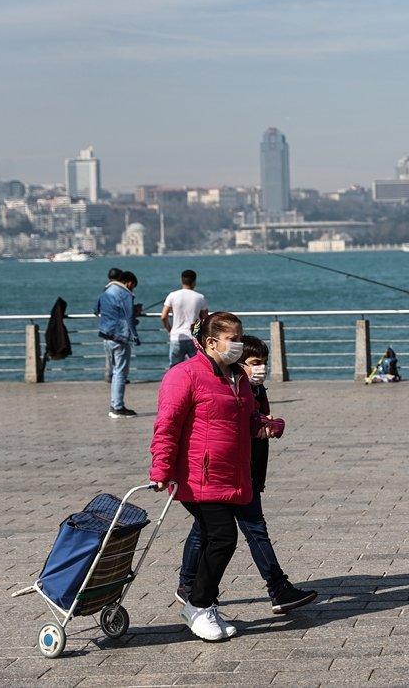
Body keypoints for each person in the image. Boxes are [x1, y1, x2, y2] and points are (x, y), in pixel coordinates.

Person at [149, 311, 272, 642]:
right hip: (196, 475)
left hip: (232, 472)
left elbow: (244, 419)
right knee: (223, 537)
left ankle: (203, 601)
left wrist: (264, 426)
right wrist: (160, 468)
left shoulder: (238, 379)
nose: (239, 345)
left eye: (240, 338)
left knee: (210, 537)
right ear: (210, 342)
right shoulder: (184, 375)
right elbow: (167, 425)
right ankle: (198, 604)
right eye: (233, 340)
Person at [175, 335, 317, 615]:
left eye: (263, 363)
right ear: (238, 363)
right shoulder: (225, 387)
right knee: (249, 528)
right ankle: (277, 588)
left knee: (206, 529)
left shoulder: (256, 389)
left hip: (247, 471)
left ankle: (188, 585)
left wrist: (267, 426)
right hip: (222, 473)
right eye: (254, 363)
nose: (260, 368)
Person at [95, 268, 139, 417]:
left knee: (115, 372)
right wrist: (135, 336)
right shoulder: (126, 294)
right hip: (119, 337)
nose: (132, 289)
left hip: (106, 336)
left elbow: (96, 310)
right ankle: (118, 407)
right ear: (129, 283)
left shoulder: (106, 291)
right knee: (121, 373)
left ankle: (114, 405)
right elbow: (130, 317)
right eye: (133, 286)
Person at [161, 270, 209, 367]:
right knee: (197, 366)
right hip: (194, 337)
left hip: (176, 337)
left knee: (174, 367)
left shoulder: (172, 295)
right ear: (194, 281)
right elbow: (205, 319)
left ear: (181, 280)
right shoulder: (200, 297)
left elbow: (163, 316)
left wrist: (169, 330)